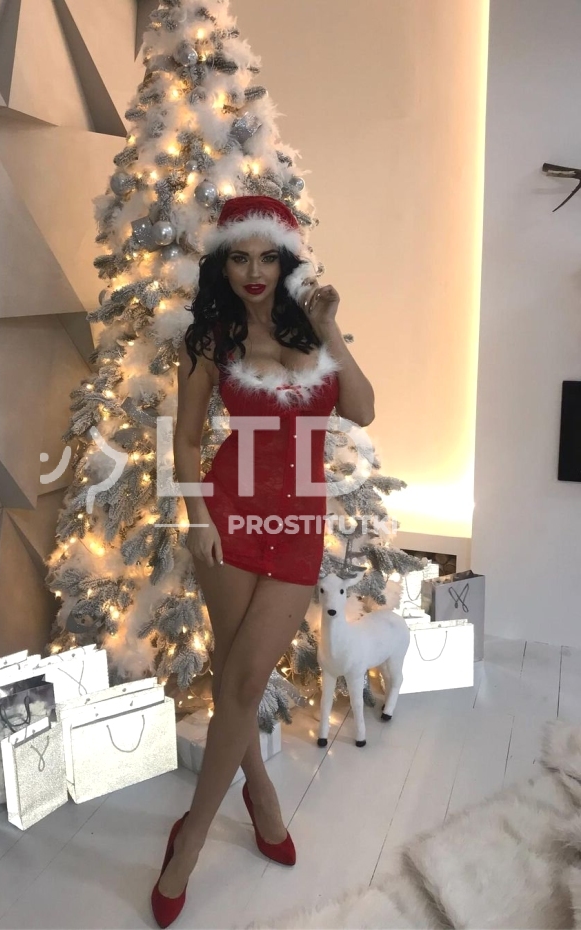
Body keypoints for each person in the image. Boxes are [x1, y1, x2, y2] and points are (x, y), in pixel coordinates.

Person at [151, 195, 376, 927]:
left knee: (244, 677)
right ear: (224, 264)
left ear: (286, 260)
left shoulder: (309, 327)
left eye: (267, 256)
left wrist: (329, 327)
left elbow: (363, 409)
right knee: (238, 677)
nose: (254, 271)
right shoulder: (209, 339)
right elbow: (188, 440)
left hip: (298, 523)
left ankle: (197, 827)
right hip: (229, 516)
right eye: (240, 257)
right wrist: (196, 519)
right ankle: (241, 812)